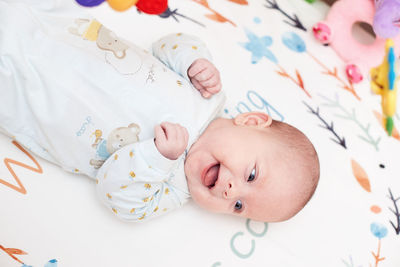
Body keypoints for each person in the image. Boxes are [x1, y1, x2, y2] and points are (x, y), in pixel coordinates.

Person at [0, 0, 319, 222]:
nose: (230, 191)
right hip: (63, 32)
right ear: (251, 121)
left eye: (238, 206)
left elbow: (116, 196)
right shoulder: (207, 91)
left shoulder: (170, 191)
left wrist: (156, 158)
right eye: (251, 175)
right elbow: (168, 43)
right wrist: (194, 61)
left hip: (29, 101)